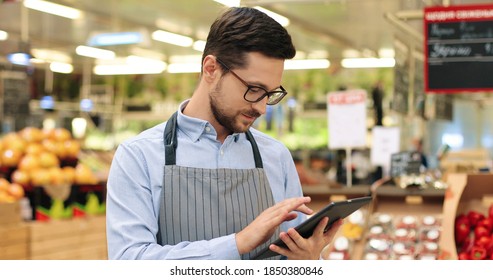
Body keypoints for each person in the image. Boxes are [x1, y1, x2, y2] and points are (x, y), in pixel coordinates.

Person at [106, 7, 342, 260]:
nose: (262, 107)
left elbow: (291, 252)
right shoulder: (138, 156)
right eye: (254, 89)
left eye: (271, 94)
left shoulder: (276, 156)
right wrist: (237, 243)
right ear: (211, 69)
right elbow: (129, 260)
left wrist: (308, 261)